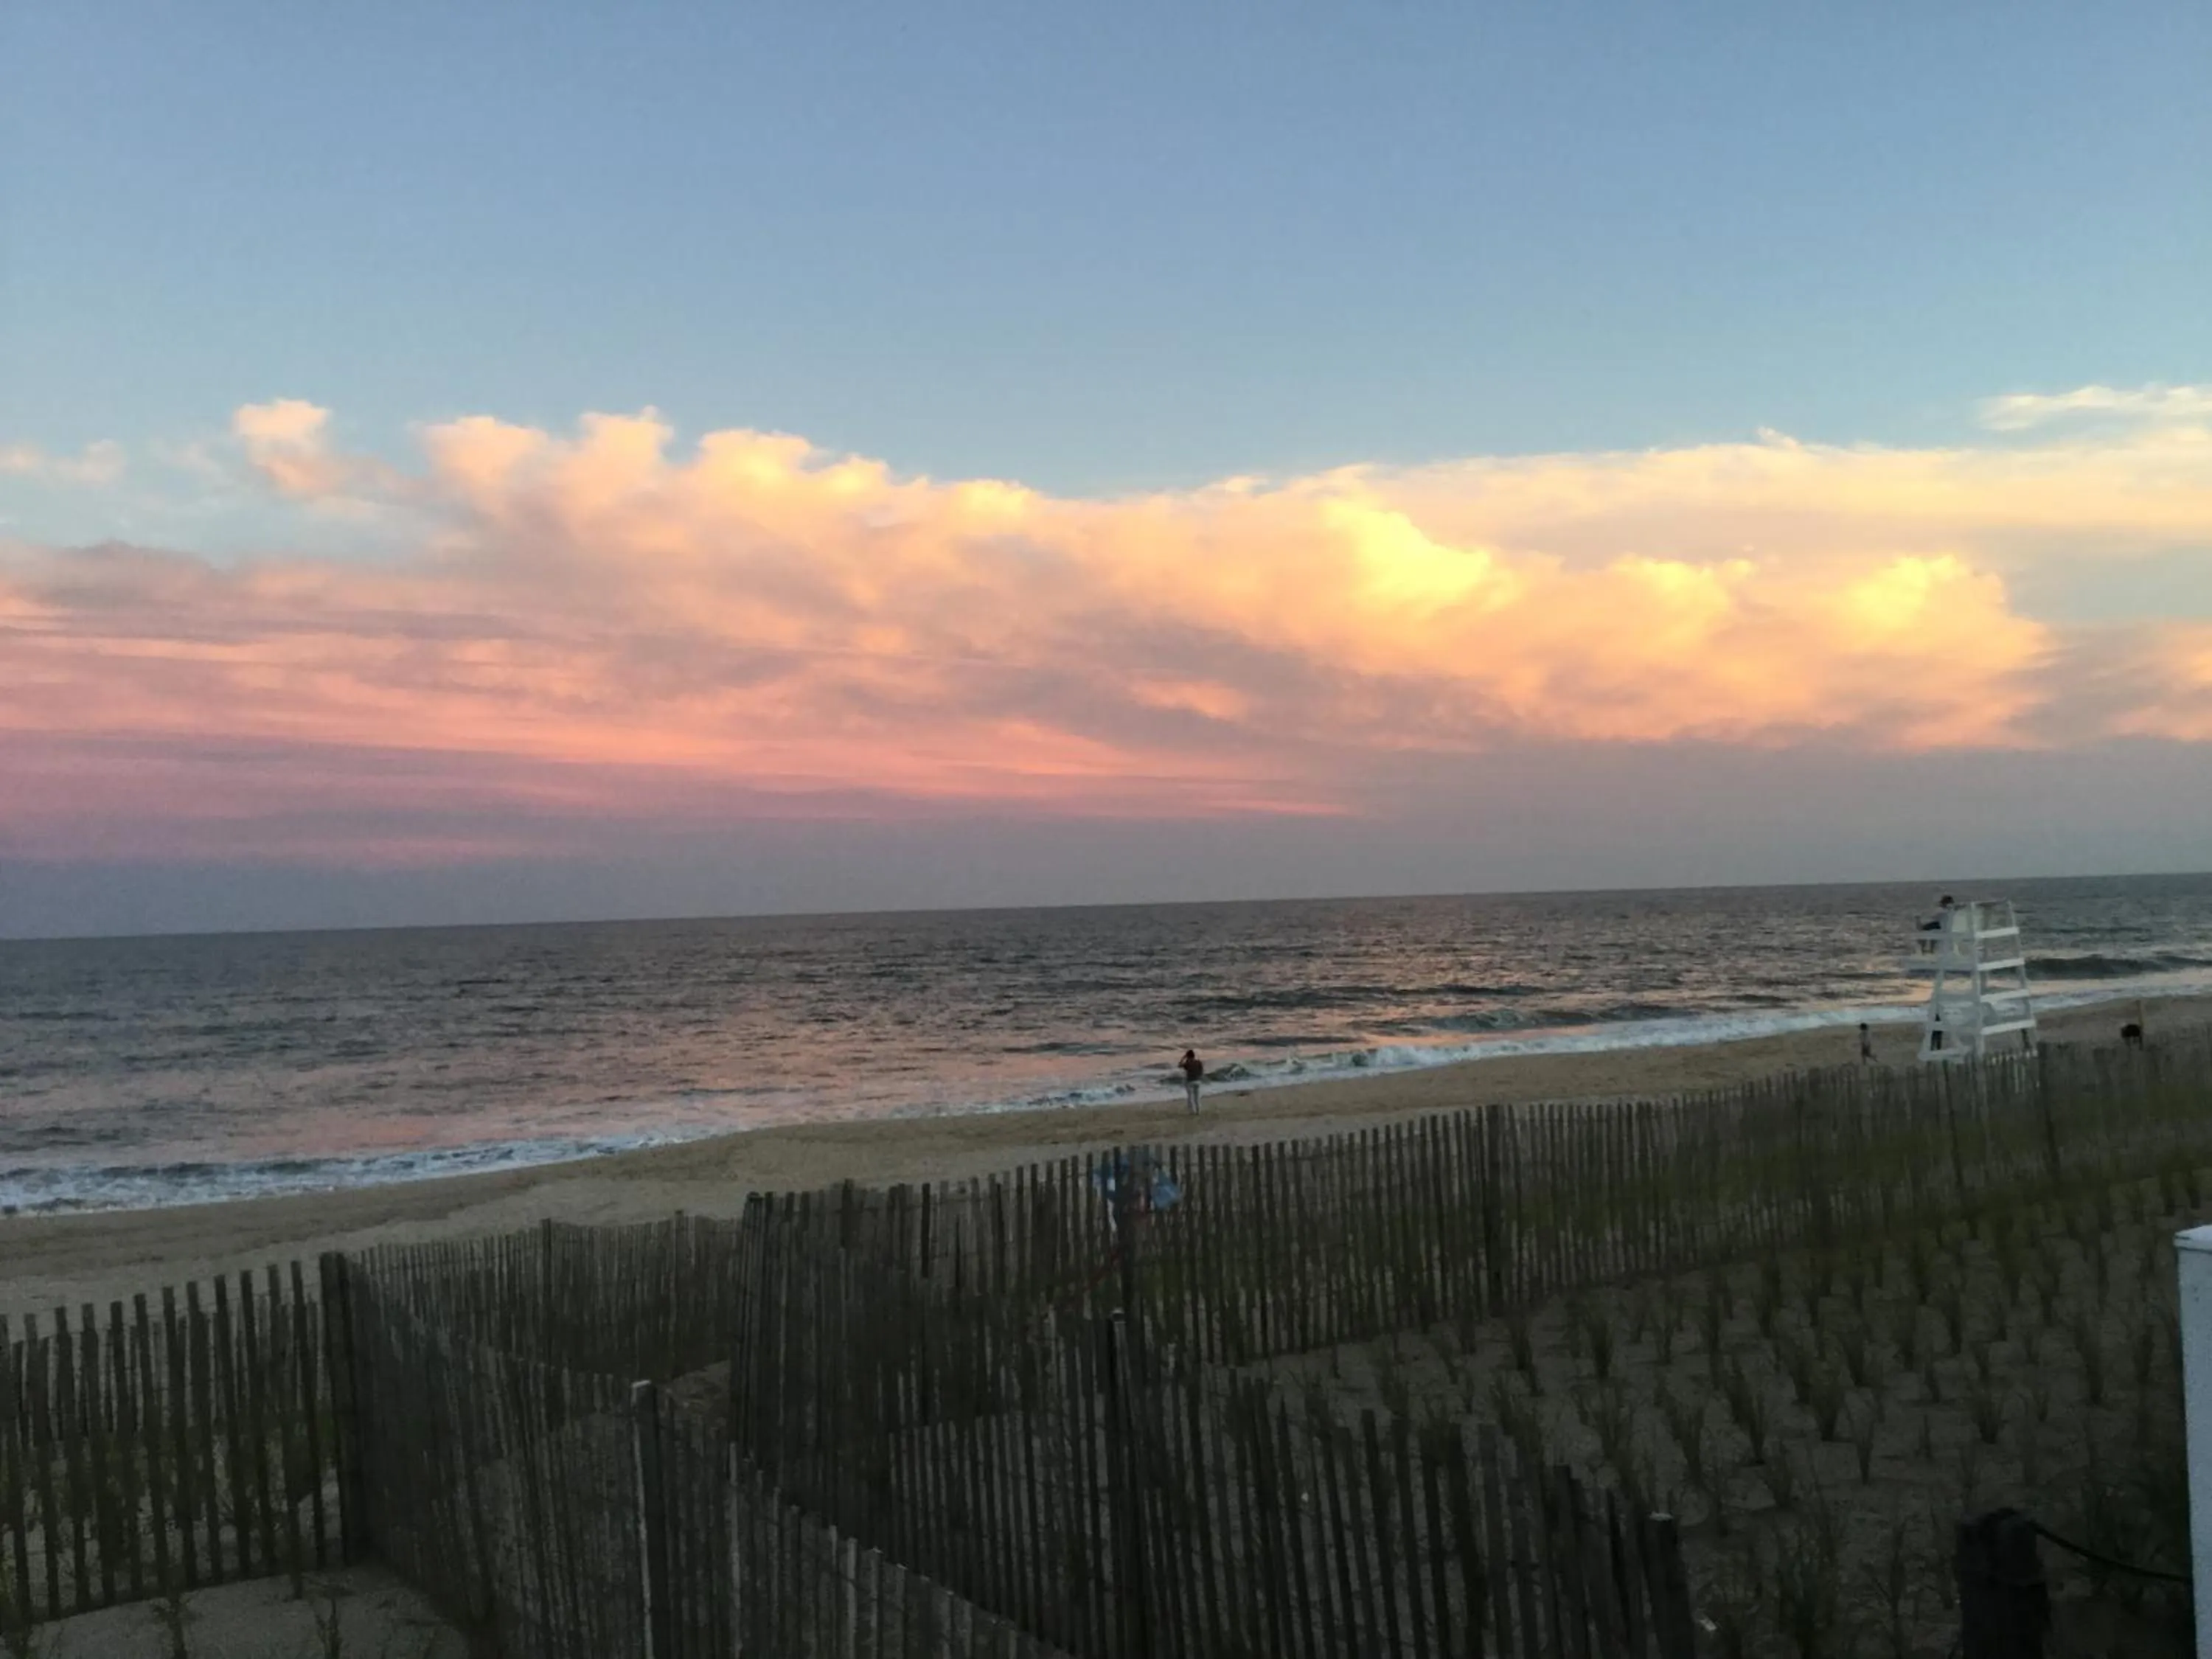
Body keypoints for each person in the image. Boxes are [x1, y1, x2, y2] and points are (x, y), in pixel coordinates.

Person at [1178, 1048, 1205, 1115]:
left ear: (1188, 1056)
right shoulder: (1199, 1062)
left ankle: (1192, 1111)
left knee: (1190, 1097)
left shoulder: (1188, 1063)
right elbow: (1201, 1072)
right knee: (1197, 1097)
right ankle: (1198, 1110)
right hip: (1198, 1081)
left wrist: (1183, 1058)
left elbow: (1179, 1065)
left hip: (1190, 1081)